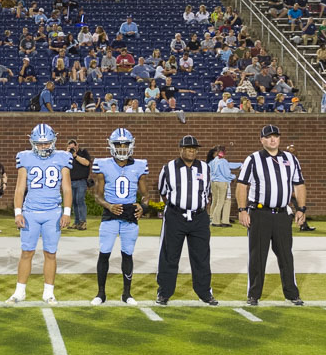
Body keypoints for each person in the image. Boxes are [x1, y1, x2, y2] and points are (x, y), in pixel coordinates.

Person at [235, 124, 306, 306]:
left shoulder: (290, 159)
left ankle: (292, 293)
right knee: (258, 255)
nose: (273, 139)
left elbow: (299, 185)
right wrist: (242, 210)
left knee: (285, 255)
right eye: (268, 137)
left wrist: (301, 208)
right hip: (260, 213)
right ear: (262, 140)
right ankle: (254, 294)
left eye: (275, 136)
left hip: (282, 214)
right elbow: (242, 185)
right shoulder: (253, 159)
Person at [9, 123, 72, 304]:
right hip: (31, 212)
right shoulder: (25, 158)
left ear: (53, 142)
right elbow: (20, 188)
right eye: (39, 144)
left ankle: (48, 293)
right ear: (33, 143)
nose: (43, 147)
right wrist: (18, 212)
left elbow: (67, 188)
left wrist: (66, 212)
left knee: (50, 253)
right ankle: (19, 292)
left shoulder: (63, 157)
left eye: (46, 143)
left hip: (53, 211)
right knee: (26, 252)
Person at [155, 135, 217, 305]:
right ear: (180, 149)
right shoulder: (168, 168)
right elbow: (163, 191)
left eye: (194, 148)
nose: (192, 151)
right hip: (176, 216)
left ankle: (204, 292)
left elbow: (207, 192)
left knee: (201, 256)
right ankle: (164, 292)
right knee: (169, 255)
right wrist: (177, 207)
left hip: (199, 217)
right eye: (188, 148)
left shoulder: (205, 168)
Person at [92, 128, 148, 305]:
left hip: (130, 214)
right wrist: (109, 206)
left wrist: (143, 206)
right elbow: (97, 195)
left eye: (125, 144)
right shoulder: (103, 164)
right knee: (104, 252)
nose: (122, 148)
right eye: (118, 144)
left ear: (131, 145)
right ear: (111, 145)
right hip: (110, 214)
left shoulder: (139, 165)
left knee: (127, 254)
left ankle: (127, 294)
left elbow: (146, 194)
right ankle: (101, 293)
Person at [207, 145, 240, 227]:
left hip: (213, 182)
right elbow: (226, 173)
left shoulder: (213, 161)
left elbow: (227, 165)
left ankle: (212, 217)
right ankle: (216, 221)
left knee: (215, 200)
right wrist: (233, 177)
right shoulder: (223, 161)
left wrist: (239, 164)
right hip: (222, 182)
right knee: (221, 201)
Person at [67, 138, 92, 230]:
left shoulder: (83, 152)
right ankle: (76, 222)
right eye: (70, 148)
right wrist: (67, 154)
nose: (72, 149)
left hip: (81, 181)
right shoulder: (67, 156)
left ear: (77, 146)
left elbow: (86, 163)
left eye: (74, 147)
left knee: (80, 201)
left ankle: (83, 222)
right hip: (71, 182)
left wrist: (75, 156)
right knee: (74, 202)